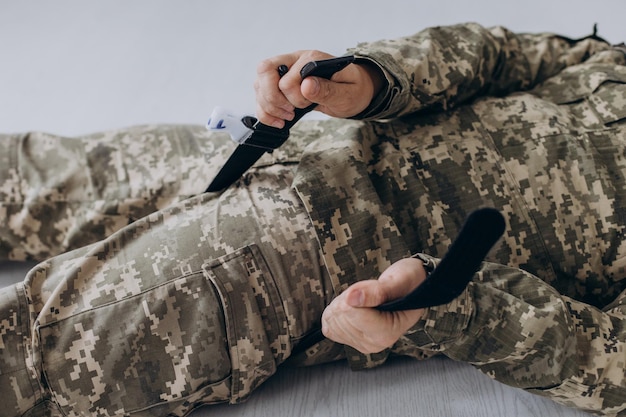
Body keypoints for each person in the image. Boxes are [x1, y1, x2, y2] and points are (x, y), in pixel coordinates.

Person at [1, 21, 625, 417]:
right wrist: (374, 79)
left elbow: (607, 361)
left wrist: (445, 305)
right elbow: (500, 56)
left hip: (305, 257)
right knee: (27, 173)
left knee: (28, 346)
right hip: (284, 149)